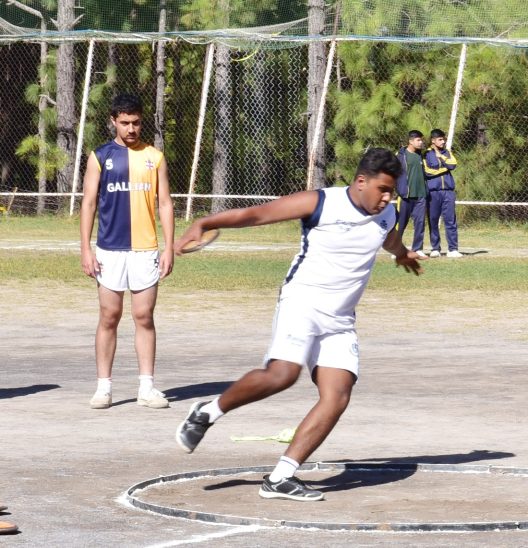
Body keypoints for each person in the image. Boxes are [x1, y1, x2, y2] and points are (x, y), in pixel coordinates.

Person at [174, 148, 424, 501]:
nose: (387, 198)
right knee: (282, 375)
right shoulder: (320, 202)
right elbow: (257, 214)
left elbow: (389, 236)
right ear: (361, 181)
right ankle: (208, 411)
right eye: (382, 189)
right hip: (302, 302)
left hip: (340, 318)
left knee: (337, 396)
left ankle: (280, 478)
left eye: (392, 192)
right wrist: (205, 223)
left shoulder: (385, 214)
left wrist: (402, 254)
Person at [80, 93, 174, 410]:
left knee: (144, 316)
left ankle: (146, 388)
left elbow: (165, 203)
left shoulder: (154, 157)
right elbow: (88, 203)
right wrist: (86, 249)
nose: (131, 129)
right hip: (109, 249)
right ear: (113, 122)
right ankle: (103, 388)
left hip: (145, 250)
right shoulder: (99, 156)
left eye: (136, 122)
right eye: (125, 123)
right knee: (109, 316)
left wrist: (169, 248)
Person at [423, 129, 461, 258]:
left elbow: (453, 164)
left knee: (450, 220)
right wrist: (445, 168)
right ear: (433, 140)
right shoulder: (426, 154)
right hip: (433, 193)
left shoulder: (447, 152)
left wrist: (441, 156)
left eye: (443, 139)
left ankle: (453, 249)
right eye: (440, 139)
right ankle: (435, 248)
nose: (443, 141)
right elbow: (427, 172)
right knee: (433, 220)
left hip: (448, 192)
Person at [395, 130, 428, 258]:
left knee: (420, 223)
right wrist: (399, 189)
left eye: (421, 140)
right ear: (410, 141)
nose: (421, 142)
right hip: (405, 196)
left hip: (420, 195)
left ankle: (417, 248)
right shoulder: (401, 156)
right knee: (401, 223)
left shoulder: (421, 156)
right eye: (418, 140)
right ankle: (396, 249)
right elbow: (393, 173)